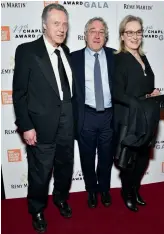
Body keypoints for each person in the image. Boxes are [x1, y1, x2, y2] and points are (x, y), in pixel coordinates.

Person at [13, 4, 74, 233]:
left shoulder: (65, 52)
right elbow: (19, 94)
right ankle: (36, 209)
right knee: (40, 173)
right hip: (41, 126)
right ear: (44, 25)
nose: (62, 29)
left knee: (64, 167)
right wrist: (26, 126)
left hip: (68, 123)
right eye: (56, 23)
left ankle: (60, 198)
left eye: (65, 24)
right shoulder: (27, 51)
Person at [113, 15, 160, 212]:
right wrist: (138, 102)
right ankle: (127, 192)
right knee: (128, 161)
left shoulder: (144, 57)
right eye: (130, 32)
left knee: (142, 159)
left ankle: (135, 188)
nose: (135, 36)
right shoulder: (119, 59)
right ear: (122, 36)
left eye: (138, 32)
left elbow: (146, 85)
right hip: (128, 118)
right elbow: (117, 92)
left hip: (146, 118)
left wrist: (151, 93)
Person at [71, 17, 115, 208]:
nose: (97, 35)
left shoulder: (116, 56)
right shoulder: (73, 58)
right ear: (85, 35)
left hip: (109, 116)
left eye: (101, 32)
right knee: (86, 158)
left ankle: (104, 189)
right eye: (92, 31)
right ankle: (91, 190)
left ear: (106, 36)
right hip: (85, 116)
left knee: (106, 157)